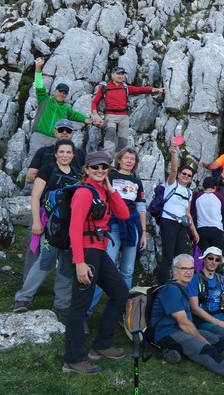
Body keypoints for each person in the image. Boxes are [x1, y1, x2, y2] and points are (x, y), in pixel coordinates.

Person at [63, 151, 130, 374]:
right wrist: (79, 262)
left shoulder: (102, 190)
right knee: (80, 304)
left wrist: (111, 190)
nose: (100, 171)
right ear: (86, 169)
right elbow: (74, 227)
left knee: (120, 292)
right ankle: (73, 359)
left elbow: (123, 214)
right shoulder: (84, 192)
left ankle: (102, 344)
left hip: (100, 250)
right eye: (95, 167)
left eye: (104, 167)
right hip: (86, 252)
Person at [151, 254, 224, 384]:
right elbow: (184, 324)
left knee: (220, 342)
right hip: (168, 333)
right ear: (175, 271)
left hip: (181, 330)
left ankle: (173, 352)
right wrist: (201, 340)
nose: (189, 272)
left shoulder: (182, 288)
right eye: (184, 269)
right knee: (206, 348)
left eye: (191, 268)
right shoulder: (171, 290)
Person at [13, 139, 81, 314]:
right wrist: (36, 222)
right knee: (46, 260)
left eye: (68, 152)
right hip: (49, 223)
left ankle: (62, 304)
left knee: (66, 263)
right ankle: (23, 298)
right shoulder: (47, 170)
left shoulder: (77, 174)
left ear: (73, 155)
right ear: (56, 153)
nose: (65, 155)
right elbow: (35, 197)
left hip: (70, 226)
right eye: (62, 152)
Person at [87, 148, 147, 317]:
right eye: (126, 158)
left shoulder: (137, 181)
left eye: (132, 159)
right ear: (119, 160)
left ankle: (122, 311)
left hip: (132, 225)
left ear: (135, 163)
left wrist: (143, 232)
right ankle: (88, 310)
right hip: (113, 224)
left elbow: (141, 206)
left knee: (127, 270)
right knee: (106, 265)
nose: (129, 161)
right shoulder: (110, 177)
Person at [28, 56, 100, 157]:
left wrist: (92, 121)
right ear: (55, 91)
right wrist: (38, 68)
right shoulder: (45, 100)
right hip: (39, 136)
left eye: (64, 93)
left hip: (55, 139)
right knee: (33, 159)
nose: (62, 95)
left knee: (51, 163)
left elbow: (78, 116)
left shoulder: (66, 108)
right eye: (60, 92)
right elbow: (39, 85)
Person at [90, 66, 166, 154]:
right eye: (118, 74)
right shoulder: (105, 88)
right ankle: (107, 158)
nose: (120, 76)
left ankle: (118, 162)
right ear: (112, 75)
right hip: (110, 116)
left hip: (124, 118)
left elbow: (140, 90)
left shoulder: (126, 88)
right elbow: (94, 102)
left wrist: (157, 89)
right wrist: (96, 115)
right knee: (110, 132)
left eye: (122, 74)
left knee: (123, 142)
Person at [157, 142, 200, 285]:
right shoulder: (172, 185)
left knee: (180, 256)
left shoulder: (189, 192)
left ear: (191, 178)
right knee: (168, 257)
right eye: (184, 173)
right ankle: (162, 286)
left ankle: (178, 285)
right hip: (168, 222)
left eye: (189, 175)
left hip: (182, 225)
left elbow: (187, 213)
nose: (186, 176)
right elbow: (173, 170)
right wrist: (174, 153)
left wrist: (194, 231)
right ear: (180, 174)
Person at [25, 119, 85, 187]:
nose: (64, 132)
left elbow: (87, 175)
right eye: (61, 130)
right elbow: (30, 177)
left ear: (73, 133)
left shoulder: (80, 154)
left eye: (68, 130)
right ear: (55, 131)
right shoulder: (43, 152)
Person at [192, 177, 224, 250]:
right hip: (216, 229)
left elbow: (192, 212)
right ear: (215, 186)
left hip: (201, 229)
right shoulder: (219, 196)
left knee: (204, 255)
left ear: (204, 186)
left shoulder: (198, 196)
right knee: (216, 256)